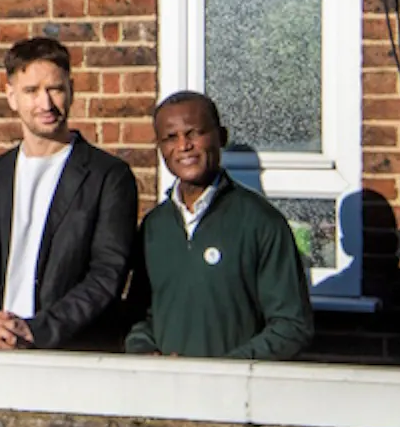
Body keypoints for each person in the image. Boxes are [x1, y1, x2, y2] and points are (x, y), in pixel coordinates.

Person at [0, 37, 139, 350]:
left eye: (55, 89)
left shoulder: (108, 177)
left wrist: (37, 331)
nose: (45, 104)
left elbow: (106, 274)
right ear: (11, 96)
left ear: (71, 90)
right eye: (31, 91)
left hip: (71, 354)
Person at [125, 91, 314, 360]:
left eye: (194, 133)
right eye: (170, 137)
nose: (183, 145)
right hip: (165, 393)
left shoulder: (261, 222)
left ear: (221, 137)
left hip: (237, 395)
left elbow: (292, 325)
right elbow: (138, 314)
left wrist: (225, 370)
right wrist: (144, 351)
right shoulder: (154, 226)